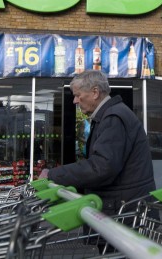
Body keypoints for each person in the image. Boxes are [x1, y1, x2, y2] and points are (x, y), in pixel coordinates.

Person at [39, 69, 155, 215]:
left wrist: (54, 175)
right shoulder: (111, 115)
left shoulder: (113, 118)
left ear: (95, 92)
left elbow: (102, 168)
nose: (74, 101)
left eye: (77, 95)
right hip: (123, 207)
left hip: (123, 213)